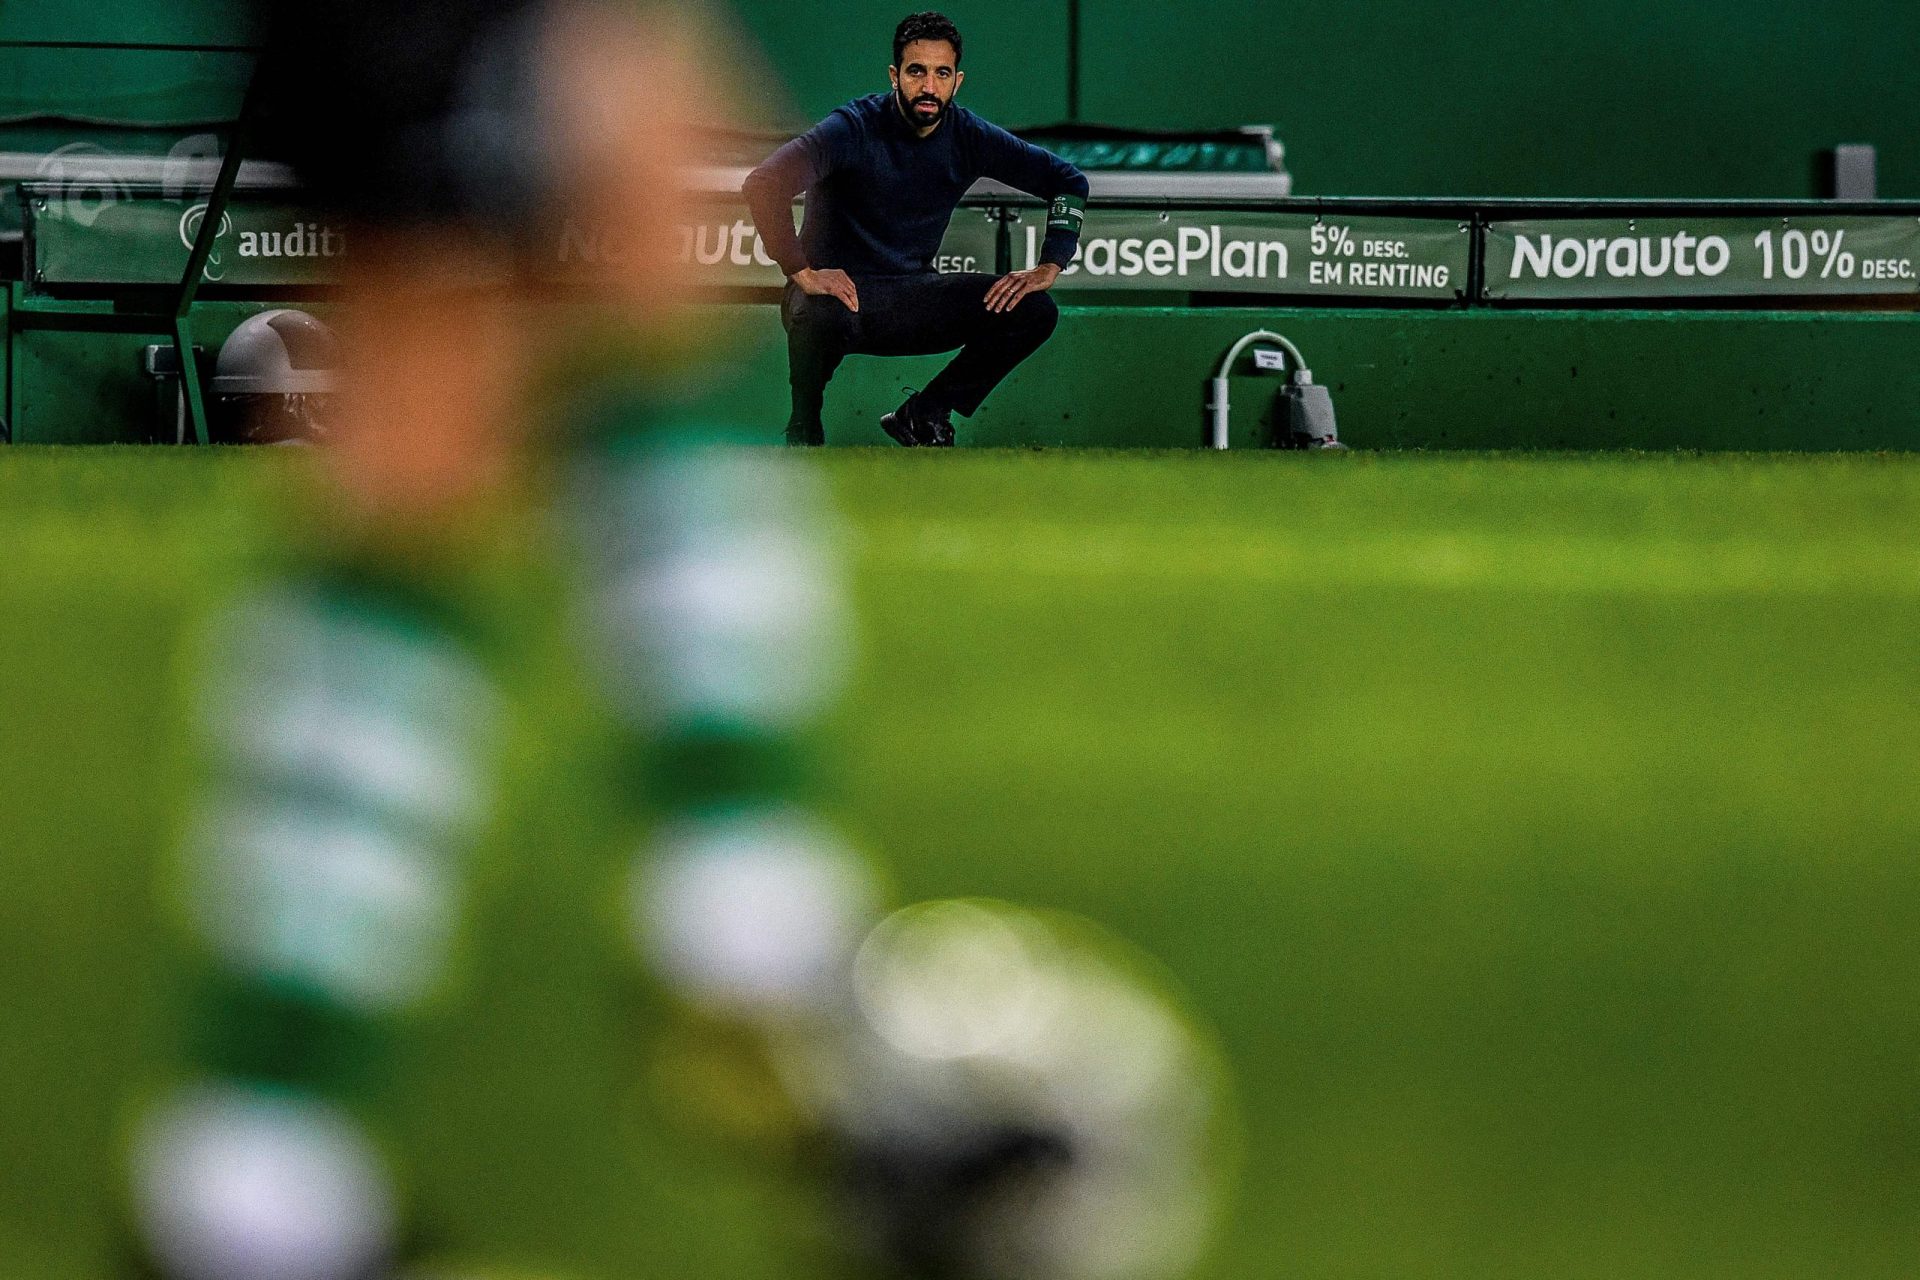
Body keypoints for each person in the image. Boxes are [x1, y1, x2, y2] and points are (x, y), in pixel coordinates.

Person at [742, 11, 1090, 447]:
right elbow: (764, 183)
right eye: (916, 71)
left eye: (941, 73)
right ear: (895, 75)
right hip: (837, 299)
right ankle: (804, 425)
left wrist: (1051, 263)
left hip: (911, 297)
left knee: (1035, 311)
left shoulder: (970, 136)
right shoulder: (853, 127)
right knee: (816, 311)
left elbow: (1069, 183)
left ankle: (924, 413)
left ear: (957, 81)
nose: (929, 86)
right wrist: (802, 271)